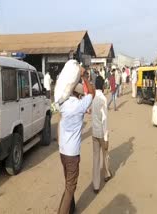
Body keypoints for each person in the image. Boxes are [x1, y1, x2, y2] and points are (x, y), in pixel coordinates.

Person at [58, 67, 95, 214]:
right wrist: (84, 75)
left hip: (62, 151)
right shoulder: (80, 105)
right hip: (73, 153)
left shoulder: (63, 104)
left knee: (68, 184)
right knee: (70, 187)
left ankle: (70, 209)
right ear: (79, 94)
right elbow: (92, 92)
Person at [92, 76, 111, 194]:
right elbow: (104, 119)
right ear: (103, 86)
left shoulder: (93, 97)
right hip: (101, 132)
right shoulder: (103, 99)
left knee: (95, 158)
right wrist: (106, 137)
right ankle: (106, 174)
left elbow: (89, 111)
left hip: (94, 131)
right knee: (105, 154)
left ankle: (95, 185)